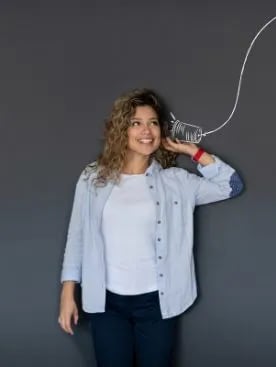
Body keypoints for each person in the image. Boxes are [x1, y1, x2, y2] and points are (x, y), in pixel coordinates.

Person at [57, 88, 244, 367]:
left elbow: (231, 185)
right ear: (122, 129)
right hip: (107, 303)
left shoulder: (177, 182)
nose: (146, 130)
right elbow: (77, 236)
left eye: (153, 122)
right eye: (136, 123)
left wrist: (192, 151)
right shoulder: (92, 178)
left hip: (157, 303)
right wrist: (67, 294)